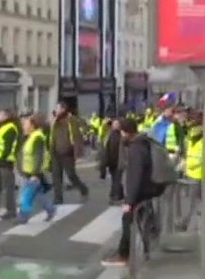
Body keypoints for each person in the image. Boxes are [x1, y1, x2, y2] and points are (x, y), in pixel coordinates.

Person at [102, 118, 162, 267]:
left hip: (140, 191)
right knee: (141, 221)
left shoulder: (136, 149)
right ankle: (145, 250)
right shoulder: (142, 143)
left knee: (128, 221)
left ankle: (124, 255)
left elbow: (135, 175)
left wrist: (129, 201)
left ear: (126, 132)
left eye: (121, 131)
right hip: (147, 189)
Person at [16, 114, 56, 223]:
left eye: (26, 124)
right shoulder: (30, 136)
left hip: (34, 173)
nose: (24, 125)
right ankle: (51, 210)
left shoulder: (37, 137)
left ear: (33, 125)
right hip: (28, 172)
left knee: (26, 196)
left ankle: (22, 218)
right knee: (39, 194)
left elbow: (39, 157)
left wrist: (35, 174)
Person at [48, 102, 90, 204]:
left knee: (71, 175)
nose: (55, 110)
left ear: (63, 109)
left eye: (57, 108)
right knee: (56, 177)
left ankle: (83, 188)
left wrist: (78, 147)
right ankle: (58, 199)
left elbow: (83, 128)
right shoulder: (54, 120)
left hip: (68, 152)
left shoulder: (71, 119)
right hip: (55, 152)